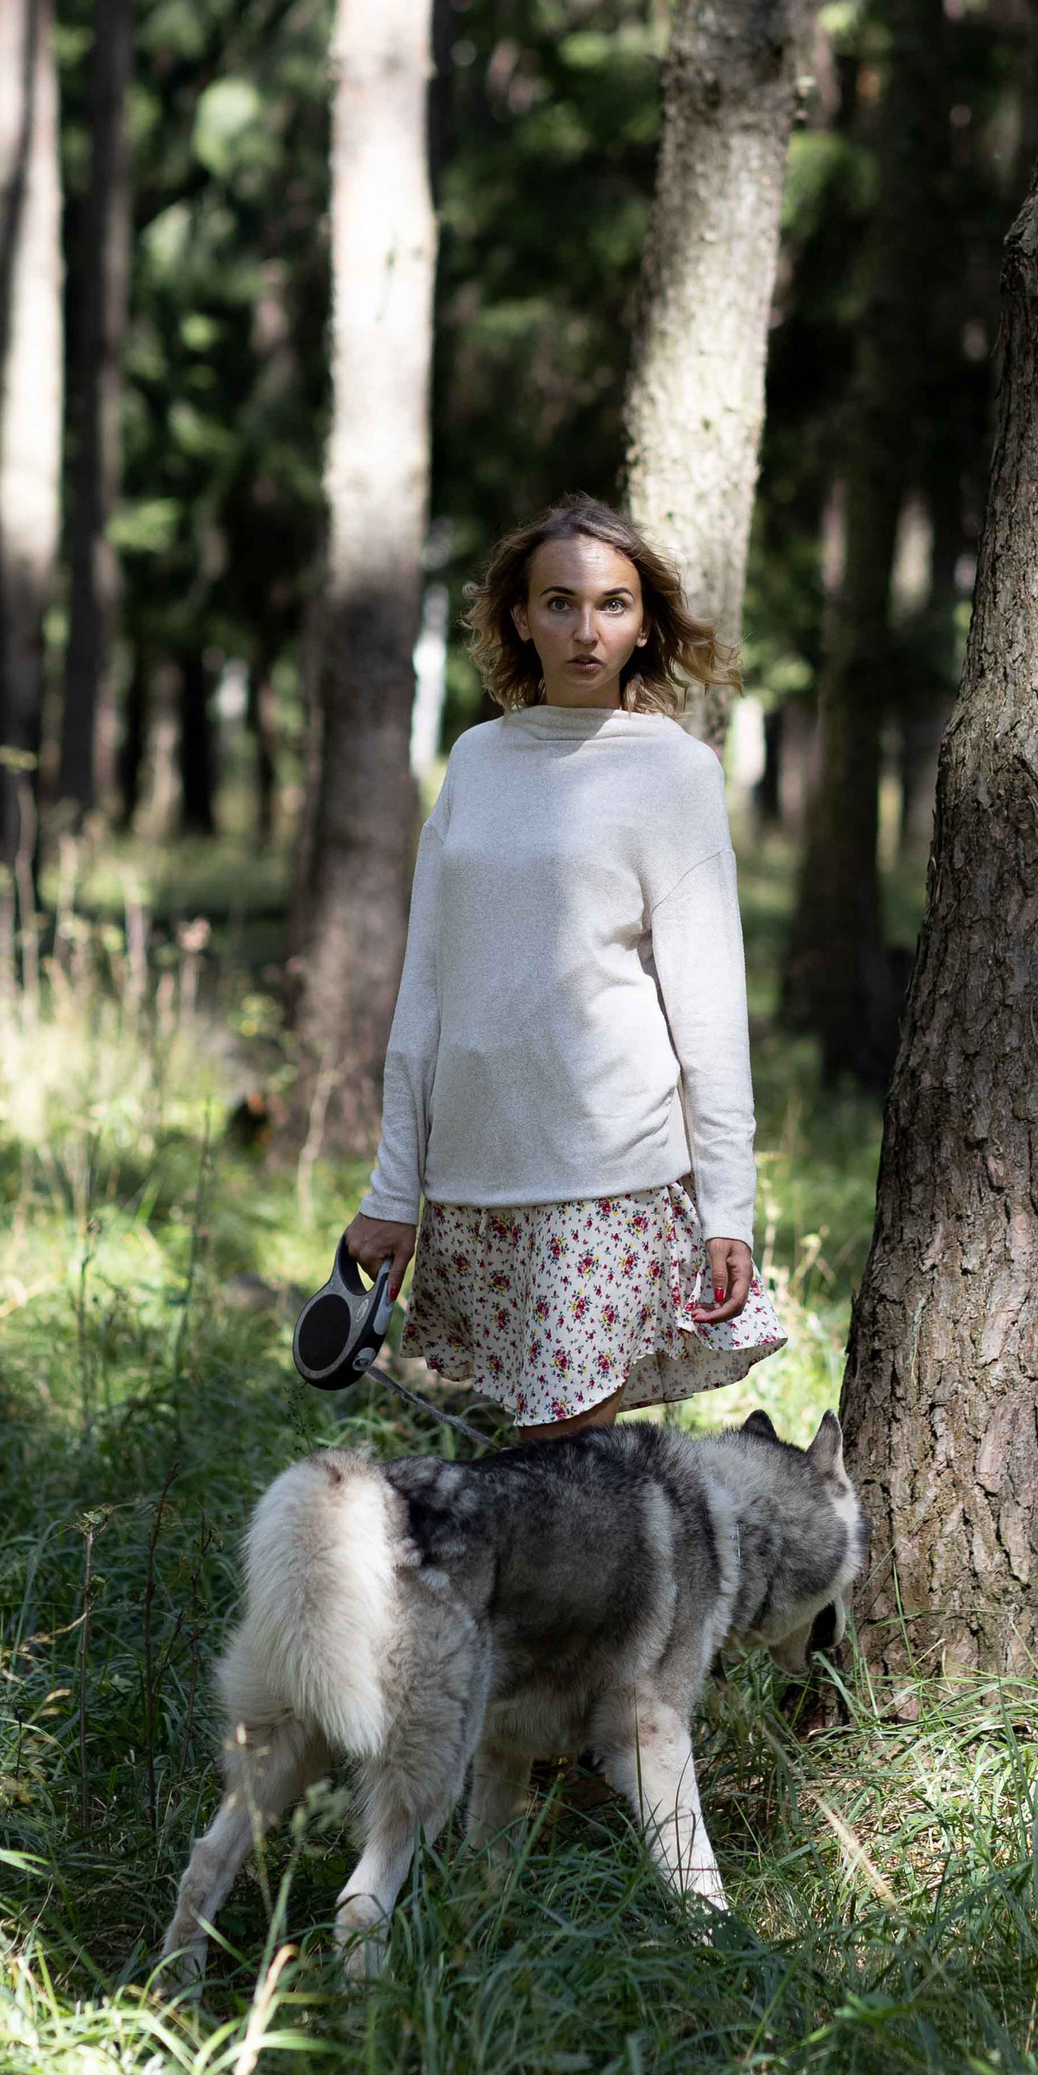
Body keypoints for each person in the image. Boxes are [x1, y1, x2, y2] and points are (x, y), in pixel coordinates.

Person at [342, 493, 785, 1435]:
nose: (586, 630)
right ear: (520, 617)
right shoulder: (475, 761)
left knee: (562, 1481)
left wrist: (728, 1210)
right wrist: (393, 1192)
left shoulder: (675, 772)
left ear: (644, 626)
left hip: (605, 1179)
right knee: (555, 1499)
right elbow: (426, 989)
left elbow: (709, 1007)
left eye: (613, 605)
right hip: (473, 1179)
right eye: (560, 603)